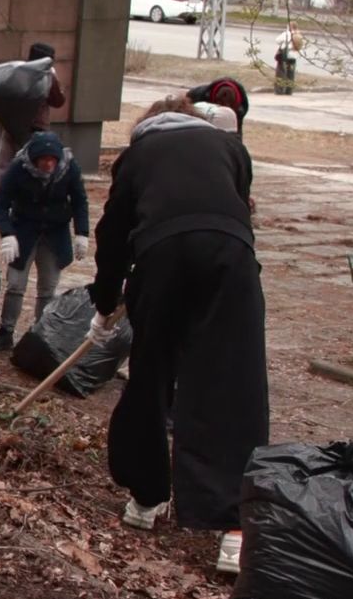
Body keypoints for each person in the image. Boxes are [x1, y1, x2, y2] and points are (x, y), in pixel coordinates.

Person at [88, 99, 267, 575]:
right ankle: (233, 525)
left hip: (162, 258)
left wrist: (105, 304)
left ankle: (147, 496)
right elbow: (240, 211)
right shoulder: (230, 148)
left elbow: (113, 234)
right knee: (231, 380)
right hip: (231, 258)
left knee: (151, 370)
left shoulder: (138, 155)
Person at [0, 131, 89, 352]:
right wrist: (7, 234)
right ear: (34, 159)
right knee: (15, 285)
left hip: (55, 234)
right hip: (24, 231)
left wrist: (82, 233)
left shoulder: (69, 168)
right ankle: (5, 332)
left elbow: (80, 201)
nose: (48, 164)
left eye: (52, 160)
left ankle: (42, 334)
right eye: (44, 160)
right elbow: (1, 203)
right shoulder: (18, 169)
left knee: (48, 288)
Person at [0, 42, 67, 219]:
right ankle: (25, 209)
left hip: (11, 126)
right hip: (35, 130)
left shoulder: (19, 71)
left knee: (4, 167)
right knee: (32, 170)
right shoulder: (47, 76)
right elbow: (58, 100)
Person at [273, 22, 302, 95]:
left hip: (285, 56)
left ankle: (279, 90)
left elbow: (277, 40)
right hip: (293, 57)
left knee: (280, 72)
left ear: (289, 27)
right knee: (291, 74)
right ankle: (289, 91)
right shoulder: (299, 35)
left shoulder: (286, 34)